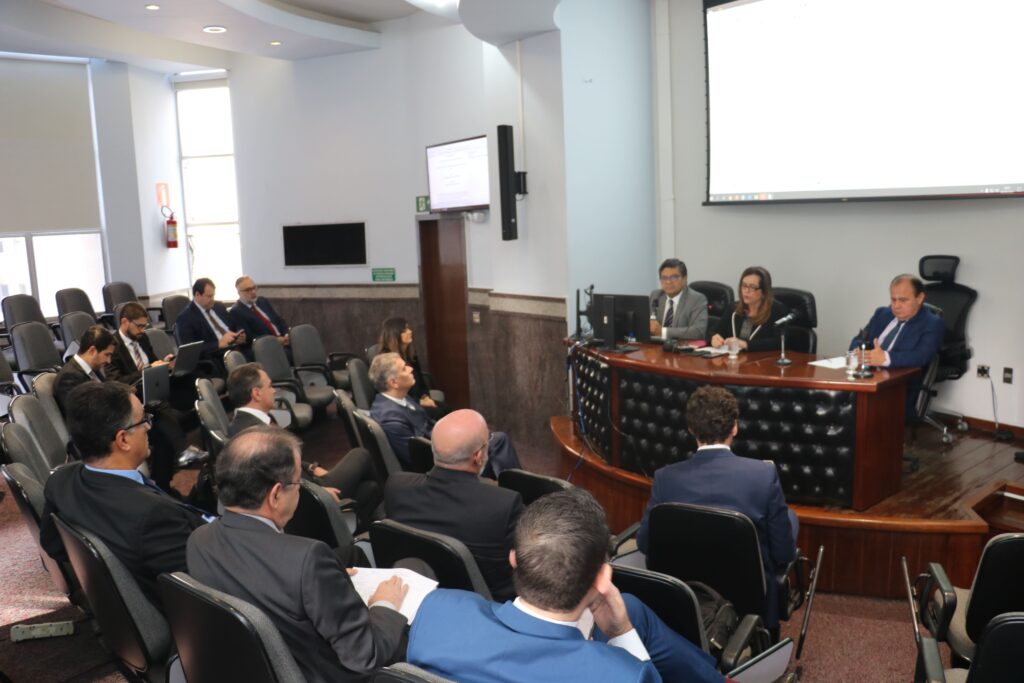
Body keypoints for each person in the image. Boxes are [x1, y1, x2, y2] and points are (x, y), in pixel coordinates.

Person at [407, 488, 724, 683]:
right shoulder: (624, 675)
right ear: (603, 578)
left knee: (634, 609)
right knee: (633, 611)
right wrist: (621, 632)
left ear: (514, 559)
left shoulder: (436, 612)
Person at [187, 427, 408, 683]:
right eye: (297, 482)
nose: (300, 490)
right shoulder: (307, 559)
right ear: (276, 495)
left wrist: (323, 583)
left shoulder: (198, 540)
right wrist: (384, 604)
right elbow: (364, 656)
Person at [636, 386, 797, 630]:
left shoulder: (665, 479)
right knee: (790, 520)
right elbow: (783, 554)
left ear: (691, 429)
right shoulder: (763, 475)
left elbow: (644, 545)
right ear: (735, 427)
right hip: (750, 599)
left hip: (687, 598)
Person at [39, 382, 208, 609]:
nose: (149, 426)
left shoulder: (61, 480)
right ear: (123, 440)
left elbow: (53, 546)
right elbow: (202, 596)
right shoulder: (155, 516)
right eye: (143, 420)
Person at [384, 409, 524, 601]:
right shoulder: (504, 504)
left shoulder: (396, 486)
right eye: (488, 441)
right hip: (488, 606)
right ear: (478, 456)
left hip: (421, 597)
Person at [227, 362, 380, 529]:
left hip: (307, 479)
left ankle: (365, 526)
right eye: (270, 386)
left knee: (369, 490)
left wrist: (313, 468)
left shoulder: (245, 422)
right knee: (362, 455)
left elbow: (284, 461)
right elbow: (275, 479)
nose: (274, 391)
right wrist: (318, 492)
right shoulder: (254, 436)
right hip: (306, 496)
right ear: (256, 393)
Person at [55, 325, 191, 491]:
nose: (109, 361)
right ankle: (169, 474)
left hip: (109, 421)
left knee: (156, 415)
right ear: (92, 350)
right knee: (157, 426)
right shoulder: (69, 377)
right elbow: (85, 414)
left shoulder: (91, 370)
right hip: (97, 433)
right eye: (107, 354)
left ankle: (163, 484)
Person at [368, 352, 521, 478]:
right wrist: (464, 446)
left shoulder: (397, 399)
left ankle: (505, 488)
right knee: (499, 441)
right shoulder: (391, 419)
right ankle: (517, 493)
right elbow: (420, 459)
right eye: (404, 369)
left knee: (490, 438)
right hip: (445, 467)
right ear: (393, 382)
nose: (410, 369)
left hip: (442, 448)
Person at [849, 274, 944, 419]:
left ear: (920, 298)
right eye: (893, 299)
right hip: (865, 375)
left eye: (903, 300)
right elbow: (859, 338)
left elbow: (921, 356)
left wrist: (885, 358)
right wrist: (858, 350)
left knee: (852, 408)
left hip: (898, 386)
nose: (896, 305)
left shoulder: (932, 323)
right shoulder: (882, 314)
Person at [105, 301, 198, 416]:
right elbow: (116, 382)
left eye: (145, 326)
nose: (143, 330)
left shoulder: (142, 337)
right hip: (138, 393)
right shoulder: (111, 346)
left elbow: (153, 361)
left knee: (192, 377)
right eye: (139, 326)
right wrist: (148, 370)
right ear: (124, 322)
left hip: (156, 383)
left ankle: (202, 416)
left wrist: (164, 363)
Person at [376, 317, 447, 418]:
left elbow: (422, 383)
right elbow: (394, 393)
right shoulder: (387, 360)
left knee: (446, 408)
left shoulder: (411, 355)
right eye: (405, 330)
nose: (410, 331)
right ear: (395, 335)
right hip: (403, 405)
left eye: (408, 329)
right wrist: (419, 402)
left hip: (418, 400)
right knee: (438, 413)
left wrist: (425, 397)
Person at [174, 278, 247, 373]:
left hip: (236, 348)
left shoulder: (218, 306)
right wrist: (218, 344)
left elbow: (235, 324)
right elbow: (189, 351)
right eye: (209, 296)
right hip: (216, 357)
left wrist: (239, 334)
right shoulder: (185, 318)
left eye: (213, 295)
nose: (212, 300)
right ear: (197, 295)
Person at [710, 266, 788, 352]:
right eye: (744, 286)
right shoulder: (733, 309)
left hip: (761, 362)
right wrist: (714, 338)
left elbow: (779, 342)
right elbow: (715, 332)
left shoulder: (777, 310)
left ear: (764, 292)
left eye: (752, 287)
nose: (746, 291)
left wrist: (745, 344)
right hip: (733, 361)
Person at [648, 258, 708, 341]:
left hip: (682, 350)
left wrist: (663, 331)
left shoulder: (697, 299)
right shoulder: (656, 296)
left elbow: (698, 331)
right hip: (656, 348)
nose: (668, 282)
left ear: (685, 279)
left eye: (674, 277)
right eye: (664, 278)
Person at [230, 275, 290, 347]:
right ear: (239, 293)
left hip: (284, 340)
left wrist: (286, 334)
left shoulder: (262, 301)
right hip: (266, 346)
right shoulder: (236, 311)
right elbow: (250, 337)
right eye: (248, 290)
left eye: (254, 288)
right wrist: (275, 340)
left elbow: (279, 320)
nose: (253, 292)